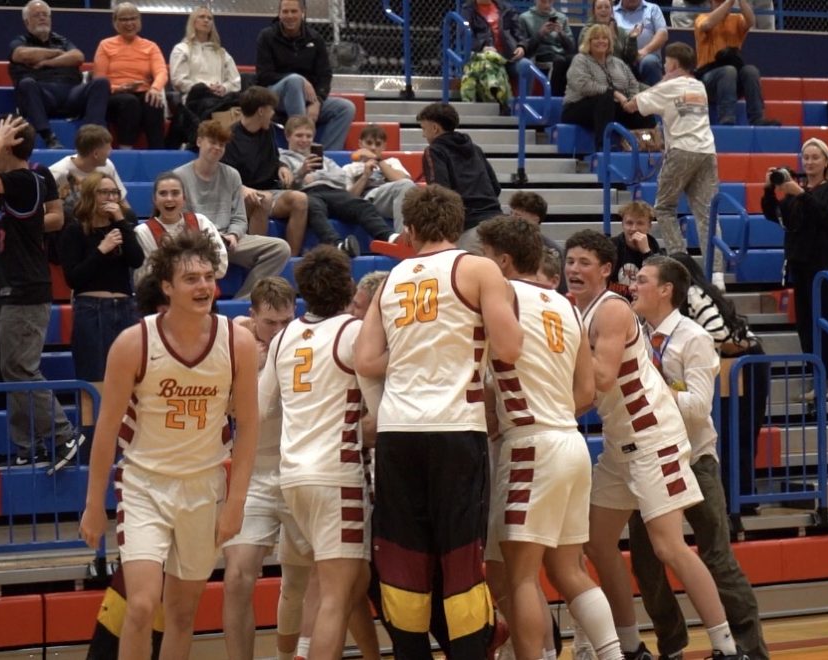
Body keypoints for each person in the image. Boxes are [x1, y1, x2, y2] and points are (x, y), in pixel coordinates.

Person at [354, 184, 523, 659]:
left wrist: (414, 351)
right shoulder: (478, 268)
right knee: (460, 559)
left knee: (404, 558)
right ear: (459, 225)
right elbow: (509, 348)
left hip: (397, 434)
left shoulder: (391, 279)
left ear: (409, 230)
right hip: (455, 429)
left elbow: (365, 360)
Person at [564, 230, 745, 660]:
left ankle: (726, 648)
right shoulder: (578, 312)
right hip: (620, 444)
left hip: (652, 438)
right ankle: (630, 646)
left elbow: (602, 378)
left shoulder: (611, 309)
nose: (573, 269)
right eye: (570, 261)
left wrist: (560, 368)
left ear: (606, 270)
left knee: (669, 547)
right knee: (597, 542)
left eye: (584, 262)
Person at [79, 229, 258, 660]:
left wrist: (236, 503)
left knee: (181, 614)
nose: (203, 286)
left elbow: (249, 425)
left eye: (208, 277)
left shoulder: (238, 342)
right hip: (144, 485)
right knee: (141, 605)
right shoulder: (133, 343)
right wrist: (92, 504)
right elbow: (106, 430)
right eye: (190, 279)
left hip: (204, 487)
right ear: (167, 287)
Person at [477, 216, 622, 660]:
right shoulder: (567, 305)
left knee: (521, 577)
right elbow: (586, 392)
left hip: (530, 445)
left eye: (485, 256)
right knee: (568, 570)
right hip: (570, 442)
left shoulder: (500, 297)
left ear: (503, 260)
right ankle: (614, 655)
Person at [625, 255, 768, 660]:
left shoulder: (694, 337)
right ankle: (672, 645)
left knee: (717, 558)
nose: (633, 286)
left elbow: (698, 407)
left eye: (643, 280)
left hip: (694, 459)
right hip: (650, 459)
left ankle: (749, 650)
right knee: (645, 563)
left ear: (666, 290)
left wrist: (655, 389)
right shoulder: (635, 334)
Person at [261, 246, 380, 658]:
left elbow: (260, 407)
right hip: (337, 477)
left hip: (294, 477)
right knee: (335, 595)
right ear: (347, 285)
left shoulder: (283, 337)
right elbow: (380, 412)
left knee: (353, 580)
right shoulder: (353, 332)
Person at [0, 115, 85, 471]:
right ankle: (29, 445)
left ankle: (64, 434)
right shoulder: (22, 183)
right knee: (13, 370)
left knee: (21, 368)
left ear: (8, 146)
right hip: (15, 285)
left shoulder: (21, 180)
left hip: (25, 287)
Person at [223, 277, 312, 660]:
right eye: (269, 322)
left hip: (297, 470)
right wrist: (248, 366)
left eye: (285, 322)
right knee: (236, 578)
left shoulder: (305, 343)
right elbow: (224, 411)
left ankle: (292, 655)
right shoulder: (233, 346)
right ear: (252, 316)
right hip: (253, 476)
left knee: (301, 581)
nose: (278, 330)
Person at [669, 252, 768, 515]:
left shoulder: (693, 294)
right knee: (733, 435)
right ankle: (737, 499)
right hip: (734, 365)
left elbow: (719, 335)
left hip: (745, 363)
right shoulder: (687, 296)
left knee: (739, 434)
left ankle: (742, 501)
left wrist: (693, 353)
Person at [622, 42, 723, 286]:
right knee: (707, 215)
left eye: (666, 62)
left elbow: (632, 105)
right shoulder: (699, 86)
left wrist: (620, 96)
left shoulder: (669, 86)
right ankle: (717, 274)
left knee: (665, 208)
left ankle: (681, 264)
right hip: (707, 151)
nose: (663, 66)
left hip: (681, 150)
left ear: (673, 64)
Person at [761, 138, 828, 400]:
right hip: (802, 265)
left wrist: (800, 193)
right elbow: (775, 215)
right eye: (806, 157)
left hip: (827, 267)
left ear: (826, 161)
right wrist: (769, 190)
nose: (809, 162)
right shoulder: (797, 192)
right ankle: (818, 379)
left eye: (815, 157)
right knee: (807, 325)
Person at [172, 120, 290, 299]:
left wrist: (234, 235)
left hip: (229, 240)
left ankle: (243, 301)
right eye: (212, 142)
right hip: (197, 242)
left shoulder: (232, 175)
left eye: (221, 144)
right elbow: (180, 221)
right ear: (199, 141)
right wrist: (210, 237)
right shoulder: (179, 176)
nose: (217, 148)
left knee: (280, 248)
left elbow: (239, 218)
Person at [57, 172, 144, 396]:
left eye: (114, 192)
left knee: (128, 377)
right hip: (91, 309)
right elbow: (73, 278)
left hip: (125, 307)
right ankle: (91, 420)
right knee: (94, 378)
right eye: (104, 192)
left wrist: (121, 221)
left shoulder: (122, 226)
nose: (111, 198)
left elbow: (137, 259)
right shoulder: (75, 230)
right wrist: (101, 250)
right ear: (90, 195)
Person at [279, 115, 397, 252]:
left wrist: (316, 175)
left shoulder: (324, 159)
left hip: (333, 191)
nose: (304, 140)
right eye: (299, 135)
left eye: (308, 136)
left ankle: (390, 237)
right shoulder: (281, 158)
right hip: (306, 193)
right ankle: (338, 246)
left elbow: (341, 178)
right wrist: (301, 173)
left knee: (362, 205)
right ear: (287, 136)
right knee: (314, 208)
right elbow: (285, 186)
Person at [221, 86, 313, 257]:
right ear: (261, 111)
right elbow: (223, 174)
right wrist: (242, 188)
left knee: (300, 199)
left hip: (270, 190)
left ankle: (291, 259)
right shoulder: (230, 136)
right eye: (271, 109)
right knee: (263, 199)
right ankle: (259, 256)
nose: (273, 114)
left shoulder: (268, 130)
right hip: (240, 194)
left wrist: (282, 167)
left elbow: (274, 159)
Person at [255, 0, 356, 151]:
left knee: (346, 108)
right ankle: (302, 148)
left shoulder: (315, 38)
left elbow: (324, 75)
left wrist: (318, 101)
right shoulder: (266, 36)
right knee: (294, 81)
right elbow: (264, 76)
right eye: (285, 11)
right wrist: (300, 80)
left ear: (302, 13)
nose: (289, 16)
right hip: (275, 96)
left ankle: (324, 156)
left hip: (307, 98)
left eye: (294, 11)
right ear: (279, 14)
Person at [9, 0, 110, 149]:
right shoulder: (20, 41)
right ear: (27, 22)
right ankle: (49, 137)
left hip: (71, 93)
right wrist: (57, 53)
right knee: (27, 84)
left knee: (101, 83)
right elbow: (21, 54)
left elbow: (78, 56)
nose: (42, 18)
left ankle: (92, 138)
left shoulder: (61, 40)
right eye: (37, 15)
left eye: (45, 15)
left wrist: (46, 62)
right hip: (44, 95)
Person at [416, 103, 503, 254]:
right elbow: (496, 187)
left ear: (435, 128)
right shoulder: (475, 148)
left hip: (470, 229)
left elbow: (440, 194)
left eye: (424, 129)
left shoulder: (434, 151)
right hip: (500, 223)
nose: (423, 135)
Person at [563, 24, 651, 152]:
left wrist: (632, 101)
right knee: (605, 99)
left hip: (612, 108)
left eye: (604, 38)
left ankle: (648, 146)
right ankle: (603, 148)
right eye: (596, 38)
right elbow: (583, 85)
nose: (601, 41)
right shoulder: (580, 60)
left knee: (643, 106)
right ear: (588, 42)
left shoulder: (618, 63)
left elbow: (633, 84)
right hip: (578, 107)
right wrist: (615, 94)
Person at [94, 2, 168, 150]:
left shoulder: (151, 46)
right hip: (114, 95)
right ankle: (125, 150)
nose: (129, 23)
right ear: (115, 23)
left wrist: (155, 88)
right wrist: (119, 88)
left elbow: (161, 72)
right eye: (123, 19)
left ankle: (157, 152)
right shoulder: (105, 45)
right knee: (129, 102)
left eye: (133, 18)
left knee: (153, 102)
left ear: (139, 21)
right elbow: (99, 80)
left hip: (142, 92)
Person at [133, 172, 228, 285]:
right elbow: (145, 278)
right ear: (155, 200)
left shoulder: (201, 221)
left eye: (175, 193)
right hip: (164, 295)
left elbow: (221, 266)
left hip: (204, 291)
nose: (169, 198)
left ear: (184, 198)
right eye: (163, 193)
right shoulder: (143, 232)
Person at [694, 0, 779, 127]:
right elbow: (707, 25)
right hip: (707, 79)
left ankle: (757, 119)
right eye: (718, 2)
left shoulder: (737, 19)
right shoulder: (701, 18)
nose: (722, 5)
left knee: (750, 71)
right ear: (711, 3)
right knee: (728, 71)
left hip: (732, 81)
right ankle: (727, 118)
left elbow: (750, 21)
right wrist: (729, 2)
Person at [47, 125, 129, 224]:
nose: (111, 151)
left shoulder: (107, 166)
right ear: (96, 154)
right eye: (108, 148)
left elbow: (122, 200)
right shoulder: (57, 173)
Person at [343, 124, 417, 231]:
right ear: (360, 144)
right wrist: (365, 176)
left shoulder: (392, 162)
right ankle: (403, 238)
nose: (373, 148)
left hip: (391, 200)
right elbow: (347, 200)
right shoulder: (349, 168)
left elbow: (404, 182)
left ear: (384, 146)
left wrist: (378, 160)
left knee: (411, 190)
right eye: (369, 143)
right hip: (367, 202)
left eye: (378, 144)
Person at [169, 6, 242, 107]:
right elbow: (178, 81)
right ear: (193, 22)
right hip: (195, 100)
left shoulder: (221, 53)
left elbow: (235, 82)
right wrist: (205, 89)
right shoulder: (181, 49)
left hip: (220, 98)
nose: (206, 20)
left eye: (209, 18)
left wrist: (224, 88)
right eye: (202, 17)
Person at [463, 0, 528, 103]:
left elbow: (519, 32)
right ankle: (500, 105)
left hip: (509, 57)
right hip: (487, 58)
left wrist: (521, 46)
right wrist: (482, 47)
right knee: (490, 67)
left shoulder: (506, 8)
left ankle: (524, 105)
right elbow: (465, 35)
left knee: (526, 65)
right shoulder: (468, 10)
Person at [507, 189, 568, 293]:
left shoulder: (553, 250)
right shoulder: (503, 244)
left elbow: (562, 289)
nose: (511, 219)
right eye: (511, 214)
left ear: (535, 219)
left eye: (517, 216)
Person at [518, 0, 577, 92]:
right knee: (559, 61)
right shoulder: (524, 18)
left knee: (574, 59)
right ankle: (553, 96)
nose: (547, 5)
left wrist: (561, 34)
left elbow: (571, 48)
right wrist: (540, 34)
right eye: (543, 2)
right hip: (538, 55)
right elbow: (524, 47)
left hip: (559, 55)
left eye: (550, 2)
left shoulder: (562, 18)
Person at [609, 200, 661, 300]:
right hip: (615, 302)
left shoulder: (654, 248)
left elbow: (659, 281)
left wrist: (646, 252)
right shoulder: (611, 246)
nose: (634, 228)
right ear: (622, 224)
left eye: (640, 223)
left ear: (649, 226)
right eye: (629, 223)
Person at [612, 0, 667, 84]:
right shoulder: (612, 11)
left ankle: (654, 92)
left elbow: (663, 34)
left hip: (646, 56)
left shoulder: (653, 9)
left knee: (650, 62)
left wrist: (645, 51)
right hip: (621, 57)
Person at [581, 0, 641, 68]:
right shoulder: (586, 31)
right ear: (594, 12)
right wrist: (610, 38)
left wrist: (632, 39)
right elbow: (586, 54)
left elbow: (630, 59)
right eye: (599, 7)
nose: (603, 10)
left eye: (607, 7)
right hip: (593, 68)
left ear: (612, 11)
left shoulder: (621, 31)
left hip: (619, 70)